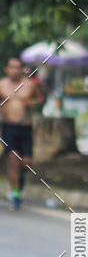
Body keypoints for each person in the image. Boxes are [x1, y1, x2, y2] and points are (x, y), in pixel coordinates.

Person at [0, 57, 43, 209]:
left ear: (21, 69)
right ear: (7, 69)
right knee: (12, 159)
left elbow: (40, 99)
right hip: (8, 127)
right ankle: (16, 195)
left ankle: (19, 180)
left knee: (25, 163)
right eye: (12, 67)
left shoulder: (29, 85)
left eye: (18, 67)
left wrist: (33, 103)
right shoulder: (2, 85)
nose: (15, 70)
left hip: (25, 128)